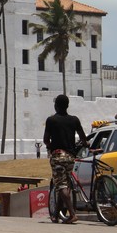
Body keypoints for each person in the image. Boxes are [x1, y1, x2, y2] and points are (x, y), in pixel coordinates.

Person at [43, 94, 88, 225]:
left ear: (56, 106)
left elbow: (46, 140)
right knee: (64, 186)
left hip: (58, 156)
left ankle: (72, 214)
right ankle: (56, 216)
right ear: (67, 106)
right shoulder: (74, 120)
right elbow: (83, 138)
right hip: (71, 157)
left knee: (61, 185)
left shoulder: (51, 120)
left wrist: (51, 146)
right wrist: (85, 144)